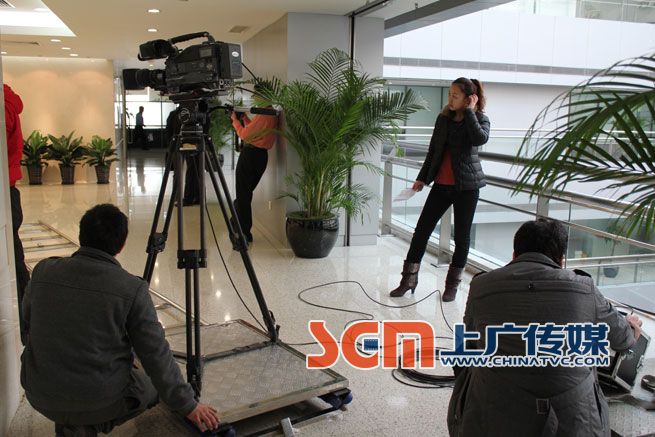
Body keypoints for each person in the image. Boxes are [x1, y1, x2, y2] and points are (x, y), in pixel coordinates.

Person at [21, 204, 220, 436]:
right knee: (149, 386)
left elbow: (27, 327)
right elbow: (156, 355)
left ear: (81, 235)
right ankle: (89, 423)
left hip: (39, 393)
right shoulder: (131, 288)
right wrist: (188, 404)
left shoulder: (43, 271)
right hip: (98, 398)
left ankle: (73, 420)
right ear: (122, 245)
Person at [447, 218, 642, 437]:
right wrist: (630, 327)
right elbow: (623, 340)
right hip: (576, 424)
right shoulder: (584, 288)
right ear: (561, 260)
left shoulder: (481, 285)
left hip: (492, 420)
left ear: (514, 255)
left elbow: (469, 347)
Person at [390, 78, 490, 302]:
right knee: (421, 232)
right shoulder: (443, 118)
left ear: (469, 99)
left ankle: (452, 286)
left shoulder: (480, 119)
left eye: (455, 95)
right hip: (441, 185)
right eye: (450, 94)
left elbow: (479, 139)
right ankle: (408, 280)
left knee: (462, 238)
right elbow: (433, 150)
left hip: (467, 188)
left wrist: (470, 112)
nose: (450, 99)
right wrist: (422, 178)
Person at [230, 87, 278, 246]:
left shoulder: (264, 113)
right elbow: (255, 131)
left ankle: (244, 232)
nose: (254, 100)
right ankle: (237, 223)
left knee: (243, 194)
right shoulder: (270, 113)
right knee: (246, 193)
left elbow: (245, 135)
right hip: (261, 157)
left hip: (250, 155)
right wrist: (244, 118)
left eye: (256, 96)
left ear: (262, 96)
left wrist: (235, 120)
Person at [4, 83, 30, 342]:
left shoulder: (4, 105)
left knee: (12, 257)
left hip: (4, 191)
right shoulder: (8, 100)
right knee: (13, 254)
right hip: (7, 189)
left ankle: (26, 323)